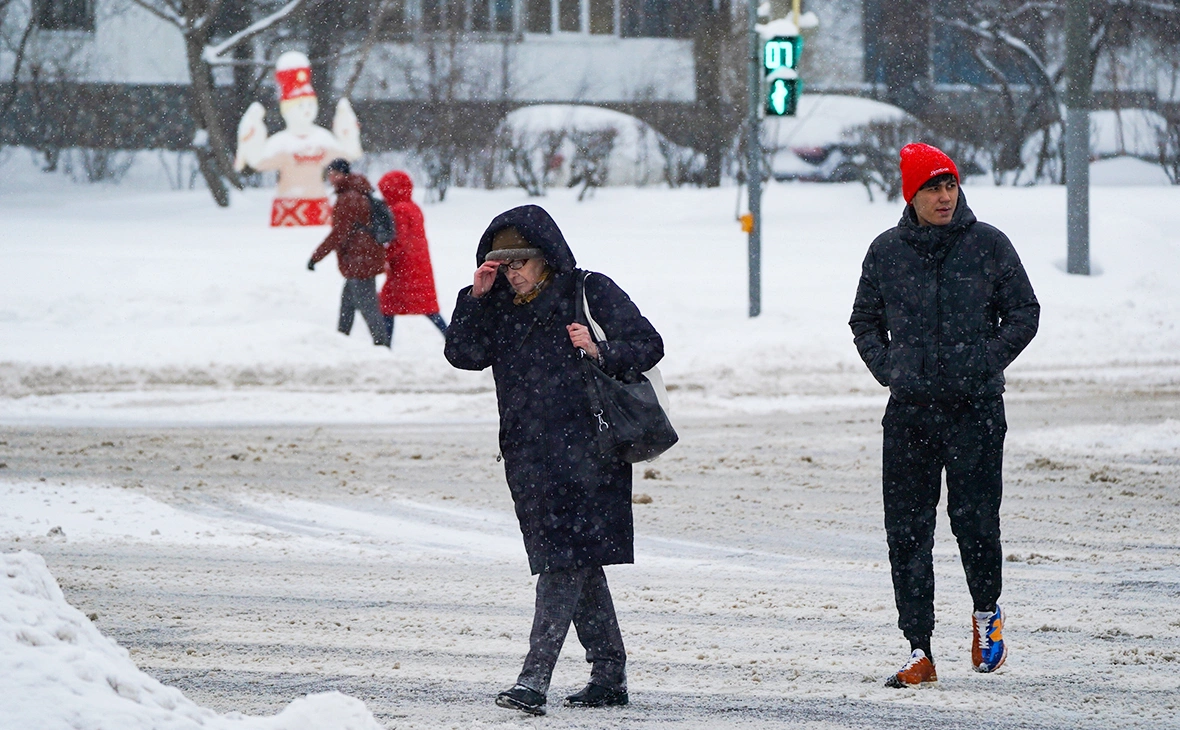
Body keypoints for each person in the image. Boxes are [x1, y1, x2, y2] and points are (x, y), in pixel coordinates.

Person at [444, 205, 664, 716]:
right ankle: (608, 674)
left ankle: (533, 679)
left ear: (546, 259)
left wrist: (600, 348)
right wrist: (476, 299)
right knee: (576, 560)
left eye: (521, 262)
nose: (513, 272)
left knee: (562, 560)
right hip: (527, 455)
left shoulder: (589, 290)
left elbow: (648, 344)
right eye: (503, 264)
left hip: (591, 452)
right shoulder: (493, 303)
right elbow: (463, 354)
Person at [849, 143, 1039, 688]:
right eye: (932, 187)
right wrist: (891, 370)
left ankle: (986, 613)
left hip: (975, 409)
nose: (944, 196)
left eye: (950, 185)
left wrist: (982, 361)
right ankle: (918, 649)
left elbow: (1024, 312)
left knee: (975, 521)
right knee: (907, 531)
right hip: (909, 412)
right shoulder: (886, 252)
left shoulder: (988, 245)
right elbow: (863, 320)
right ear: (912, 194)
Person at [308, 159, 390, 347]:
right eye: (330, 173)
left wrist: (316, 257)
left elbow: (339, 233)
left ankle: (382, 347)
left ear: (344, 175)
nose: (331, 177)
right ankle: (340, 342)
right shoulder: (355, 192)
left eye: (335, 174)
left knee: (369, 307)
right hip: (360, 257)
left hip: (360, 259)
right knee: (348, 304)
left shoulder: (349, 198)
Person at [376, 170, 448, 342]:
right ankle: (453, 338)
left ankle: (384, 344)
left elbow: (399, 241)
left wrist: (383, 256)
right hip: (418, 264)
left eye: (385, 191)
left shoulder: (398, 210)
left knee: (387, 305)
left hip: (404, 267)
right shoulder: (413, 207)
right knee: (427, 306)